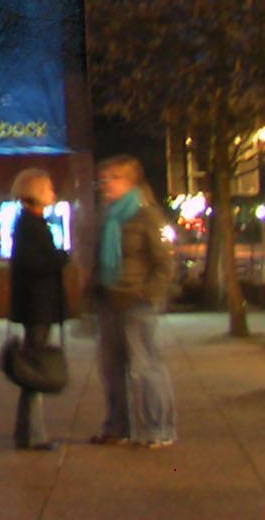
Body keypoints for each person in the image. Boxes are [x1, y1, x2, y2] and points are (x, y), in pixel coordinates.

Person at [90, 154, 176, 448]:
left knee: (146, 367)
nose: (105, 184)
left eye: (113, 178)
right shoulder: (108, 215)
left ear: (130, 181)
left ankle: (158, 429)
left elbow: (165, 263)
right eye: (103, 179)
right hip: (109, 300)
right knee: (111, 369)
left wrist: (148, 293)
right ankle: (117, 428)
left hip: (137, 304)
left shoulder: (146, 215)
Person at [8, 166, 69, 450]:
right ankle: (32, 434)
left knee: (35, 367)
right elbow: (33, 264)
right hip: (37, 306)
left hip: (37, 305)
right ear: (34, 192)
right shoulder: (30, 226)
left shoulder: (32, 223)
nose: (53, 192)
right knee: (35, 370)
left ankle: (29, 432)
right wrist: (59, 258)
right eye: (48, 188)